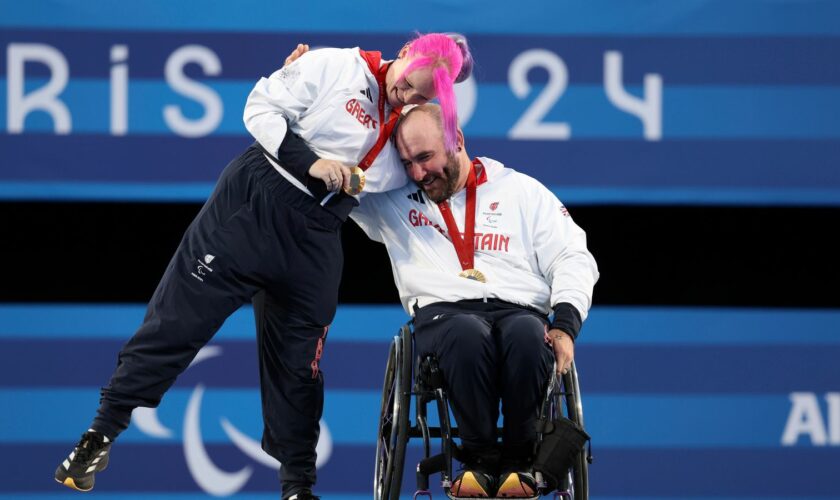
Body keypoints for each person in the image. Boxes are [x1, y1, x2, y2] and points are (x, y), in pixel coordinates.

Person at [53, 33, 473, 500]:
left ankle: (298, 487)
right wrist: (311, 162)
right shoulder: (335, 67)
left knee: (300, 371)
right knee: (176, 324)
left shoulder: (407, 132)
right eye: (410, 84)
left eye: (424, 96)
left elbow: (430, 182)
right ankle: (99, 436)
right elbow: (257, 109)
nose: (409, 98)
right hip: (254, 206)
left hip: (317, 236)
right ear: (407, 53)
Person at [350, 104, 599, 498]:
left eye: (426, 157)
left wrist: (566, 325)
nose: (418, 173)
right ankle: (479, 463)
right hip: (443, 315)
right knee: (466, 333)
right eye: (407, 162)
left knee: (528, 337)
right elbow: (341, 168)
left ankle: (520, 463)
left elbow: (573, 256)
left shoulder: (522, 192)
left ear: (456, 141)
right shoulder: (396, 197)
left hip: (520, 310)